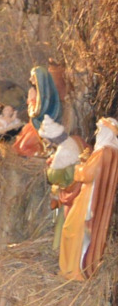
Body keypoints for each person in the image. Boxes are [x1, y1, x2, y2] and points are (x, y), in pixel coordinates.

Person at [60, 117, 118, 281]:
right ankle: (70, 269)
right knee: (72, 229)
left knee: (72, 230)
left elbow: (87, 174)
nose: (97, 133)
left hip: (89, 196)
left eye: (100, 130)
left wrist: (78, 167)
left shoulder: (104, 152)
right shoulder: (112, 152)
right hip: (92, 195)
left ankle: (73, 271)